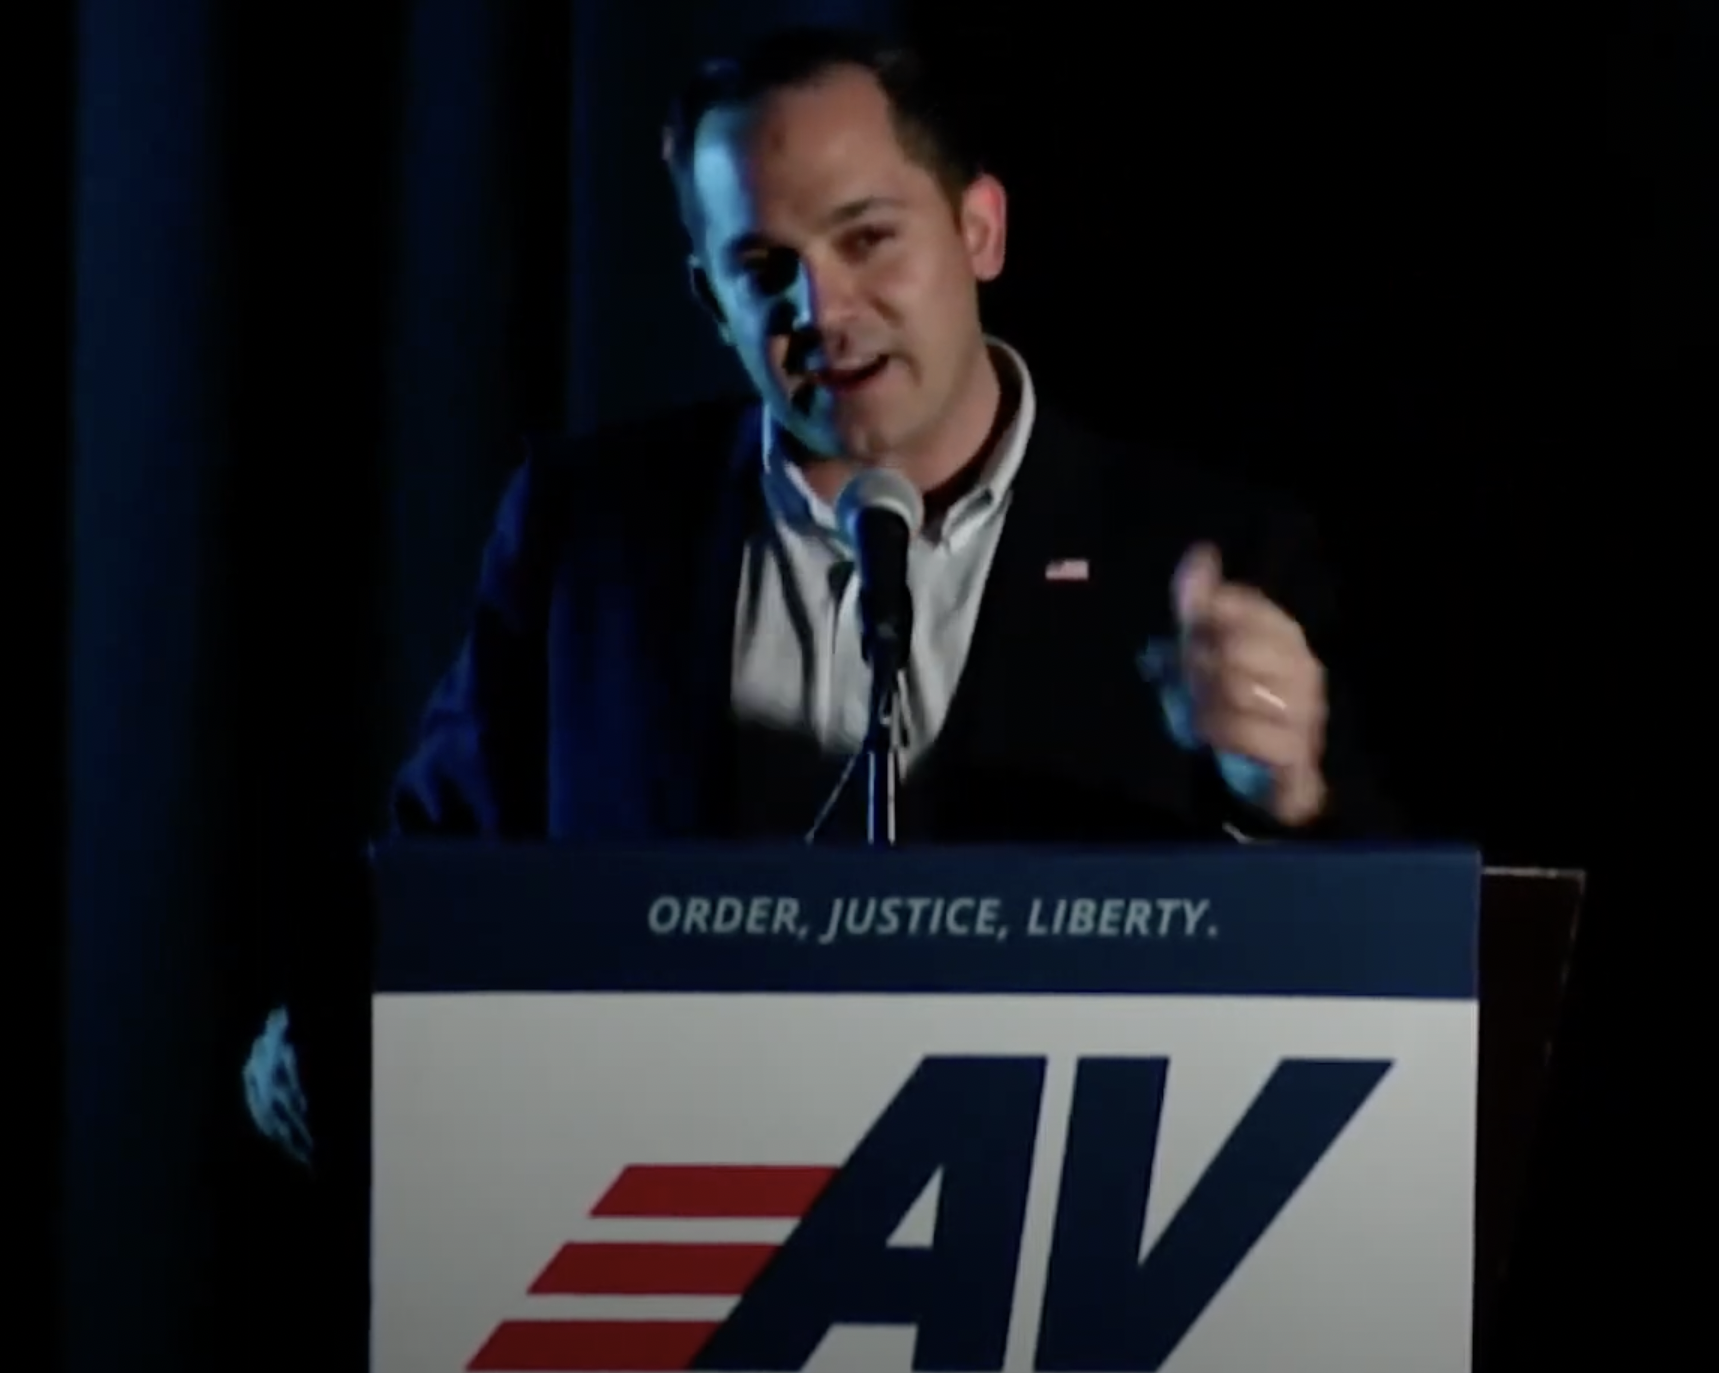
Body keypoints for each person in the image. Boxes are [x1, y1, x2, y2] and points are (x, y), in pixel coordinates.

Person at [245, 24, 1392, 1165]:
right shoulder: (590, 531)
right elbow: (440, 860)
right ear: (710, 301)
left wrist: (1279, 794)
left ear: (979, 229)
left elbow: (1390, 964)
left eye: (867, 239)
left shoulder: (1204, 549)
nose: (821, 308)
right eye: (764, 269)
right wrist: (332, 1029)